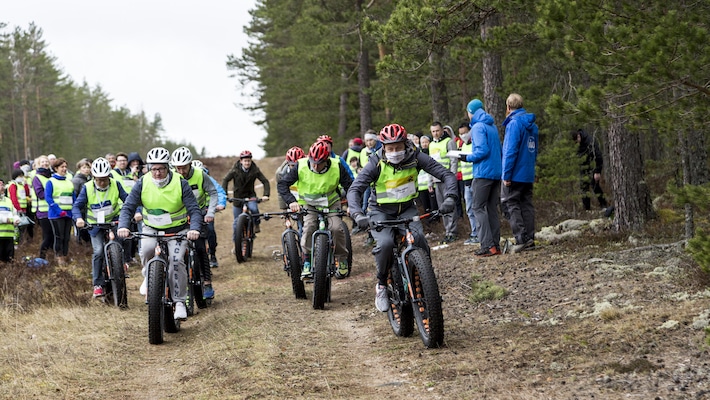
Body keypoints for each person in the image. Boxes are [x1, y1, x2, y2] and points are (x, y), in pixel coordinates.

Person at [346, 124, 458, 312]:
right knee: (387, 244)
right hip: (380, 212)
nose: (394, 152)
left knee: (420, 239)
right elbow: (355, 189)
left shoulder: (415, 157)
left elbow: (446, 175)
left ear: (405, 144)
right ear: (383, 147)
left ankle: (426, 282)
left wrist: (451, 198)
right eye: (390, 148)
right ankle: (381, 285)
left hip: (407, 209)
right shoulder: (375, 162)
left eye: (398, 147)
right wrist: (358, 214)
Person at [117, 147, 203, 321]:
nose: (157, 173)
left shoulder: (180, 182)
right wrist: (124, 225)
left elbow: (194, 209)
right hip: (151, 229)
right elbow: (128, 207)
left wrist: (194, 228)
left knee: (176, 261)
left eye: (161, 169)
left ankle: (179, 302)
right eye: (153, 168)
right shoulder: (143, 182)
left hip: (177, 230)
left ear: (168, 167)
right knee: (147, 250)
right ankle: (147, 275)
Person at [277, 141, 353, 280]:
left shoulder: (337, 166)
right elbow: (282, 184)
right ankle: (307, 261)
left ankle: (342, 260)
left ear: (327, 160)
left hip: (331, 203)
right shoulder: (300, 165)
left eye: (319, 163)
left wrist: (351, 204)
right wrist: (292, 201)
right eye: (313, 162)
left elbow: (350, 185)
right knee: (308, 227)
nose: (315, 166)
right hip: (309, 204)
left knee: (336, 228)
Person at [73, 158, 129, 298]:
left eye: (105, 179)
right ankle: (97, 284)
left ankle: (121, 264)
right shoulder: (87, 187)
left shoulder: (116, 184)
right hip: (95, 225)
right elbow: (76, 206)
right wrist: (79, 219)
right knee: (98, 252)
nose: (102, 182)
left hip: (113, 221)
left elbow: (128, 200)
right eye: (99, 180)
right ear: (93, 177)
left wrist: (137, 212)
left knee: (121, 241)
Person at [171, 146, 219, 300]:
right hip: (180, 217)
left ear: (190, 164)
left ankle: (207, 282)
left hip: (199, 214)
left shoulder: (200, 175)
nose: (181, 172)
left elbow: (212, 192)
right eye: (178, 168)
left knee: (199, 247)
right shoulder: (172, 176)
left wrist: (210, 212)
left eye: (183, 168)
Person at [458, 99, 503, 257]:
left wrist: (466, 158)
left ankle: (487, 245)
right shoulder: (492, 126)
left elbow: (482, 151)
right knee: (491, 208)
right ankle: (495, 245)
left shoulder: (477, 127)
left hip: (483, 173)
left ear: (471, 112)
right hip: (496, 172)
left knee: (478, 207)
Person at [501, 93, 539, 253]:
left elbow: (510, 151)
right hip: (527, 171)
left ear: (508, 107)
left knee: (511, 203)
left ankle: (521, 239)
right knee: (526, 204)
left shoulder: (514, 124)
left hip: (515, 172)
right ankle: (529, 238)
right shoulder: (532, 125)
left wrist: (506, 175)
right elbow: (534, 150)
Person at [222, 150, 270, 240]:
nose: (247, 163)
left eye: (248, 161)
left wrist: (266, 195)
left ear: (251, 161)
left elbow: (265, 181)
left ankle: (256, 224)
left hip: (250, 195)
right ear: (241, 161)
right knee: (236, 223)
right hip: (237, 197)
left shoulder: (255, 170)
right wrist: (224, 194)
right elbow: (225, 180)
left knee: (254, 209)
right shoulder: (235, 170)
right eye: (245, 161)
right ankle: (236, 245)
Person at [193, 159, 227, 268]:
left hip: (207, 209)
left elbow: (218, 192)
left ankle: (212, 254)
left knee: (210, 230)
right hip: (192, 211)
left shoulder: (208, 179)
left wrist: (220, 204)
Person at [429, 121, 459, 243]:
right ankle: (447, 231)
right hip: (436, 180)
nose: (435, 133)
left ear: (442, 130)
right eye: (433, 131)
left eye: (437, 131)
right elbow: (429, 165)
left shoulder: (449, 142)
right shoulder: (431, 145)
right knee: (442, 206)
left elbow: (453, 161)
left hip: (447, 179)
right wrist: (429, 182)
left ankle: (453, 231)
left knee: (449, 205)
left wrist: (452, 177)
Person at [44, 157, 75, 265]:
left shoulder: (69, 182)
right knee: (59, 236)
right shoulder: (51, 182)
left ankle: (65, 255)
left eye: (66, 167)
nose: (64, 169)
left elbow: (73, 197)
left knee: (67, 237)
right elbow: (48, 198)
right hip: (56, 215)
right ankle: (59, 256)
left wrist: (74, 210)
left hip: (68, 214)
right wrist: (58, 210)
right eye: (62, 167)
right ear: (56, 168)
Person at [572, 129, 609, 211]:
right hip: (583, 168)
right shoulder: (578, 144)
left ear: (579, 136)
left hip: (592, 167)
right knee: (584, 188)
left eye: (576, 140)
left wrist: (597, 171)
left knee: (595, 186)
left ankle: (604, 205)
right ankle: (587, 210)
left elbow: (598, 155)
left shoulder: (590, 141)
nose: (576, 143)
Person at [458, 122, 478, 245]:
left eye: (465, 133)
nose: (463, 135)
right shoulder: (462, 146)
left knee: (478, 208)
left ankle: (480, 233)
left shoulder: (475, 144)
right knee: (469, 209)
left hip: (475, 180)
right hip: (466, 182)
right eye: (460, 134)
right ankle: (474, 233)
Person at [32, 155, 54, 260]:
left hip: (53, 211)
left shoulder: (52, 176)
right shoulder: (37, 178)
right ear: (38, 165)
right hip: (43, 212)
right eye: (42, 162)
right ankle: (42, 257)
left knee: (54, 236)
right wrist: (51, 192)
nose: (45, 163)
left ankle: (52, 258)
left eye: (46, 162)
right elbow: (40, 194)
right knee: (48, 236)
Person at [8, 169, 32, 244]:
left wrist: (25, 185)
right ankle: (17, 243)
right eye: (20, 176)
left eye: (22, 176)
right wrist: (18, 208)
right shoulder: (13, 185)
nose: (21, 177)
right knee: (18, 228)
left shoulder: (21, 185)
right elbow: (13, 198)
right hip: (17, 210)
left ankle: (23, 242)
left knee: (24, 228)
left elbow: (26, 194)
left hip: (24, 208)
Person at [72, 158, 92, 244]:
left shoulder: (88, 180)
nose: (86, 169)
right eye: (84, 167)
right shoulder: (76, 180)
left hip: (87, 210)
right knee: (80, 231)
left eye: (88, 167)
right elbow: (74, 195)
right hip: (80, 210)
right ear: (79, 168)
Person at [0, 178, 20, 262]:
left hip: (9, 235)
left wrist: (16, 219)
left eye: (2, 185)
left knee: (10, 260)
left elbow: (14, 213)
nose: (2, 187)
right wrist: (6, 220)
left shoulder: (8, 201)